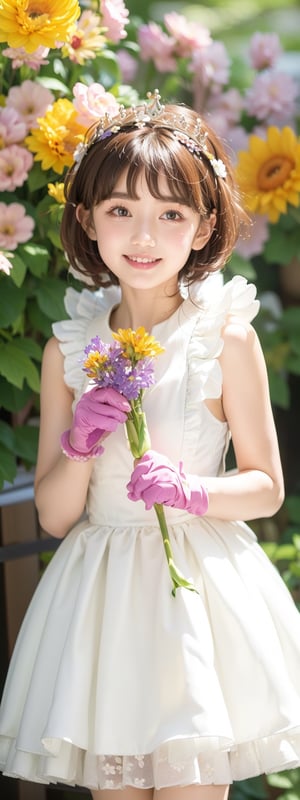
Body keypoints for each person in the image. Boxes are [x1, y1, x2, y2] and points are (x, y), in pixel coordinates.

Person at [1, 90, 300, 800]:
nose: (144, 235)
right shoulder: (70, 347)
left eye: (170, 213)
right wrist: (78, 442)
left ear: (202, 227)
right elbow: (51, 515)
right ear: (87, 220)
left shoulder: (224, 334)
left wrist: (191, 490)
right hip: (103, 599)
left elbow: (266, 486)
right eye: (120, 211)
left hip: (193, 592)